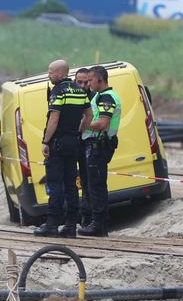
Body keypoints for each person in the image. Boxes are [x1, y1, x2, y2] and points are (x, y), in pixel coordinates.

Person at [34, 59, 92, 238]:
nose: (49, 75)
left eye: (51, 72)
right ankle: (70, 226)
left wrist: (46, 141)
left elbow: (54, 119)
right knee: (71, 184)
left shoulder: (58, 91)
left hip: (58, 143)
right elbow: (88, 115)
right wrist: (78, 131)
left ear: (60, 73)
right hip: (73, 142)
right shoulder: (80, 91)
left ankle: (52, 224)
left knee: (55, 183)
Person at [78, 65, 122, 237]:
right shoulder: (98, 96)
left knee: (96, 187)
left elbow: (103, 123)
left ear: (99, 80)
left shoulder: (107, 98)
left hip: (99, 146)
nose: (88, 84)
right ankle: (98, 223)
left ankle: (98, 224)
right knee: (93, 186)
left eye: (90, 80)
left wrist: (82, 124)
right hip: (94, 145)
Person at [74, 67, 93, 228]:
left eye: (86, 82)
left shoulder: (94, 98)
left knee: (89, 184)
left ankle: (87, 218)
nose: (82, 85)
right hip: (74, 144)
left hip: (89, 144)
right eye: (79, 82)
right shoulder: (71, 97)